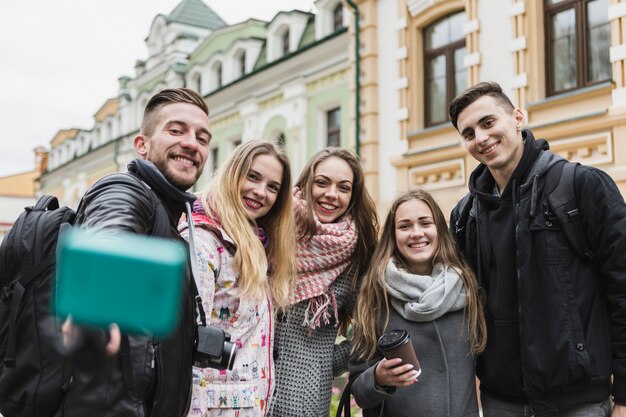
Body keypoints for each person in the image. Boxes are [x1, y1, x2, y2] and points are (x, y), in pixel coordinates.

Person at [448, 81, 626, 417]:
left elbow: (622, 289)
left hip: (578, 401)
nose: (481, 138)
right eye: (468, 133)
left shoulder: (581, 186)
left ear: (518, 118)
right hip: (501, 401)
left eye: (488, 123)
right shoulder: (464, 216)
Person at [57, 88, 211, 417]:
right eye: (176, 130)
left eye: (202, 137)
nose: (192, 143)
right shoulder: (124, 189)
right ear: (142, 146)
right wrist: (97, 307)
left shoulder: (169, 218)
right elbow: (111, 235)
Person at [179, 140, 296, 417]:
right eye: (252, 177)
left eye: (272, 187)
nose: (260, 192)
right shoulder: (205, 242)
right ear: (233, 173)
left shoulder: (256, 243)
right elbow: (185, 339)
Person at [348, 189, 486, 417]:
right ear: (392, 236)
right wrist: (378, 377)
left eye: (425, 223)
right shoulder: (375, 294)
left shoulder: (468, 288)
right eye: (404, 226)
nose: (416, 233)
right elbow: (359, 390)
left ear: (440, 230)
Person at [269, 147, 379, 417]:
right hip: (246, 395)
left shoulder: (355, 258)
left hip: (303, 405)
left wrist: (324, 363)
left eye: (343, 187)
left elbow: (371, 329)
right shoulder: (271, 231)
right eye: (322, 182)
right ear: (306, 183)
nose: (331, 194)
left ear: (352, 197)